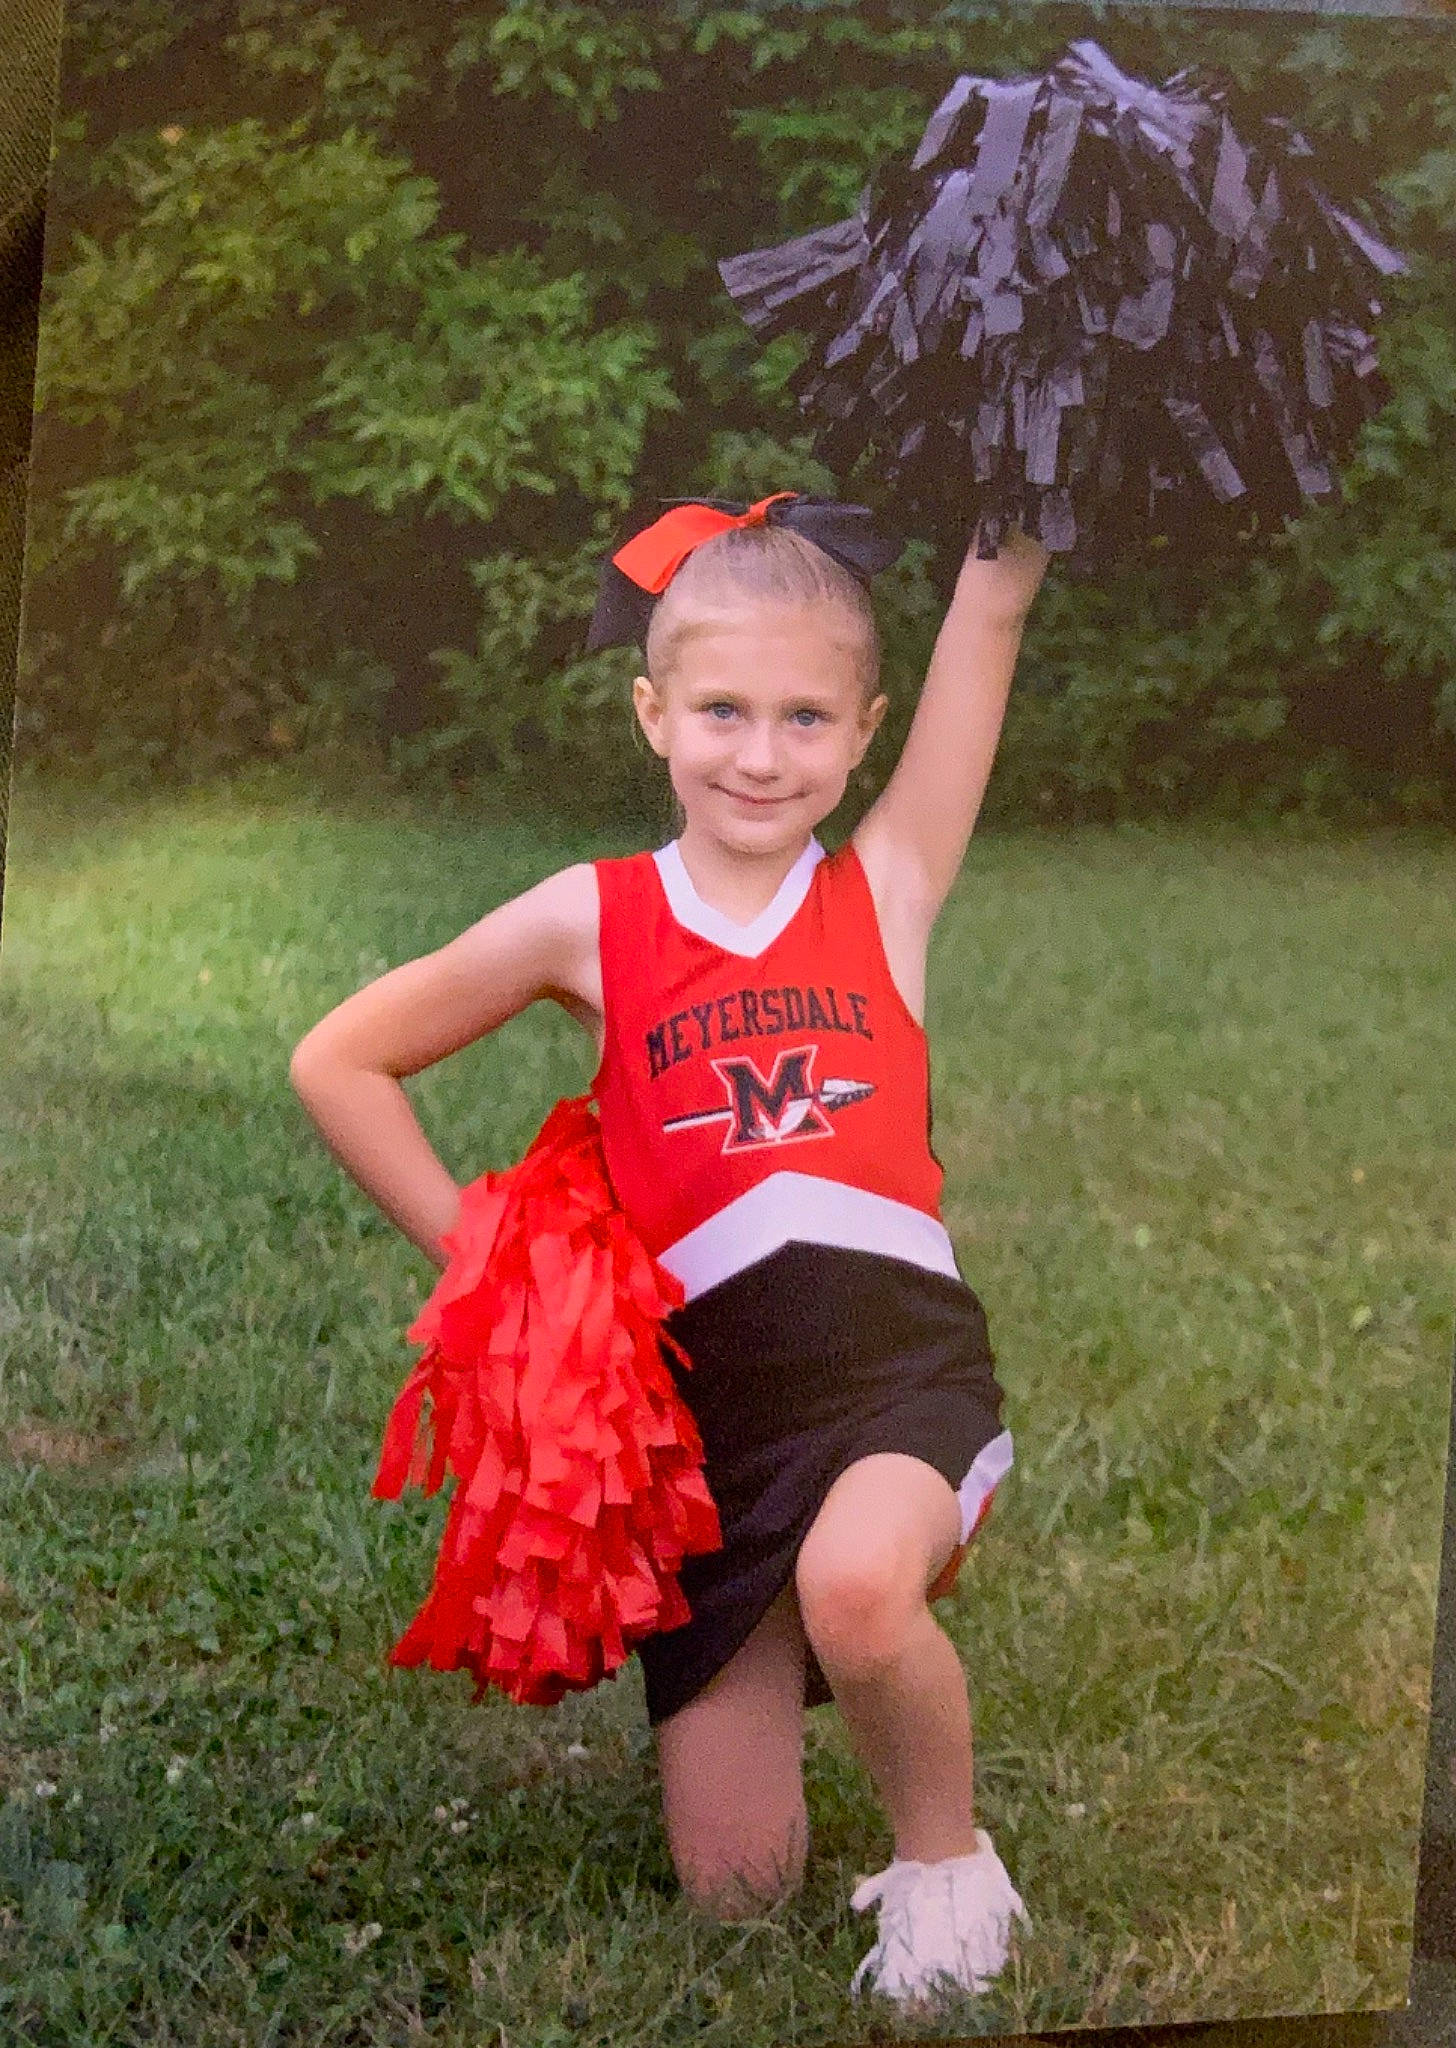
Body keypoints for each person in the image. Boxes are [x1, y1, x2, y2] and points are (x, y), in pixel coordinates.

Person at [289, 495, 1050, 2007]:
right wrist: (492, 1274)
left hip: (896, 1380)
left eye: (804, 716)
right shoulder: (594, 915)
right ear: (652, 713)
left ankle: (948, 1869)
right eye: (721, 710)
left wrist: (1030, 467)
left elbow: (996, 616)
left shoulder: (881, 888)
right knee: (739, 1898)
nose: (761, 755)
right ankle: (778, 1682)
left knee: (856, 1583)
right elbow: (341, 1061)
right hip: (703, 1443)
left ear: (864, 728)